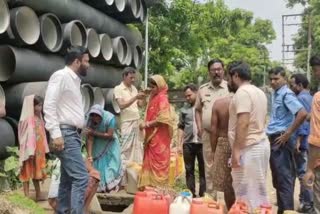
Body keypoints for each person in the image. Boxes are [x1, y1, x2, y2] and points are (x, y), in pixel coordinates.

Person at [44, 46, 90, 213]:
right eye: (86, 61)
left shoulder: (75, 81)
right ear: (76, 62)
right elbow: (49, 105)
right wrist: (56, 134)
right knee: (81, 178)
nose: (88, 65)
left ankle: (62, 211)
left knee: (67, 179)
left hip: (72, 135)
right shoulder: (61, 76)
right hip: (65, 134)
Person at [227, 62, 270, 210]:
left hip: (249, 148)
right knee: (257, 192)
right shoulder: (259, 92)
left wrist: (236, 151)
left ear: (236, 76)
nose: (228, 81)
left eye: (229, 77)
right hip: (259, 144)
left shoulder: (242, 93)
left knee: (246, 195)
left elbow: (243, 122)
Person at [266, 67, 307, 214]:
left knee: (284, 179)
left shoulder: (286, 94)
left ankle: (287, 210)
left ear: (284, 79)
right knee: (278, 179)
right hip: (275, 139)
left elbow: (302, 114)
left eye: (276, 79)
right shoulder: (276, 94)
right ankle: (282, 210)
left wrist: (288, 134)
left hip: (281, 139)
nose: (273, 82)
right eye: (271, 79)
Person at [195, 59, 229, 193]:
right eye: (213, 70)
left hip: (225, 136)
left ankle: (225, 198)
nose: (216, 72)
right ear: (209, 72)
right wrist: (199, 127)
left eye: (219, 69)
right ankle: (210, 197)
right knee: (209, 166)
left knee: (226, 166)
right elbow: (197, 109)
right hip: (208, 134)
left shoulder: (230, 87)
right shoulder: (203, 89)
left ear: (223, 70)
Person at [138, 75, 175, 188]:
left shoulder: (162, 98)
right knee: (149, 160)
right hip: (150, 137)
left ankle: (159, 189)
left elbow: (163, 119)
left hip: (159, 138)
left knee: (159, 162)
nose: (151, 88)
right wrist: (143, 95)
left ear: (160, 86)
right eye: (150, 86)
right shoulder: (153, 97)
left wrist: (147, 124)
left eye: (154, 86)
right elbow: (140, 105)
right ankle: (149, 187)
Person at [85, 104, 124, 192]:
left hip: (110, 143)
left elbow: (110, 135)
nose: (95, 118)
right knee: (97, 165)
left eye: (97, 116)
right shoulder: (89, 120)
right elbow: (89, 138)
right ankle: (100, 187)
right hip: (97, 144)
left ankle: (111, 186)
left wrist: (94, 132)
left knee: (111, 165)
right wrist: (90, 155)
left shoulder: (110, 119)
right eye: (93, 115)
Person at [289, 73, 314, 212]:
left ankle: (307, 204)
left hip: (303, 142)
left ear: (299, 85)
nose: (291, 87)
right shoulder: (311, 97)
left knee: (303, 174)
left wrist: (298, 140)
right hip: (310, 141)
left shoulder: (301, 98)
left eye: (292, 84)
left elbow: (303, 120)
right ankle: (305, 201)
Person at [18, 95, 49, 201]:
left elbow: (42, 134)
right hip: (29, 152)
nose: (41, 108)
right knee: (26, 172)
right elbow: (23, 136)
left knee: (37, 173)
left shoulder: (39, 118)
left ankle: (38, 194)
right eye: (39, 105)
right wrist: (29, 151)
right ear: (31, 106)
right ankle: (26, 196)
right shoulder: (26, 120)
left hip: (38, 152)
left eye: (41, 105)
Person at [178, 84, 205, 197]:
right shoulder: (184, 109)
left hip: (202, 143)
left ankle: (203, 194)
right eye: (186, 96)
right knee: (189, 170)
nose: (187, 98)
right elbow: (181, 127)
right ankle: (191, 195)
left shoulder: (204, 107)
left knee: (204, 170)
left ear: (196, 92)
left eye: (189, 95)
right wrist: (179, 144)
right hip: (188, 144)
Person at [114, 67, 146, 164]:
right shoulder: (118, 89)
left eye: (134, 78)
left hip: (136, 120)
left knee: (138, 147)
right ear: (124, 76)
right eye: (131, 78)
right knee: (125, 148)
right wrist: (135, 97)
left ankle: (136, 172)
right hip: (126, 122)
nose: (133, 80)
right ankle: (123, 171)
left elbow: (140, 105)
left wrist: (144, 96)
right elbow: (121, 105)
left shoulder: (134, 88)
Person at [210, 87, 235, 209]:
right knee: (238, 181)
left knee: (224, 183)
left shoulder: (219, 103)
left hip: (223, 142)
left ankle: (230, 209)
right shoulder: (246, 101)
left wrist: (214, 151)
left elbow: (213, 130)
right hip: (241, 143)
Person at [303, 55, 320, 213]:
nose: (315, 74)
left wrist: (309, 169)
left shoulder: (318, 98)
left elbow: (317, 138)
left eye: (315, 70)